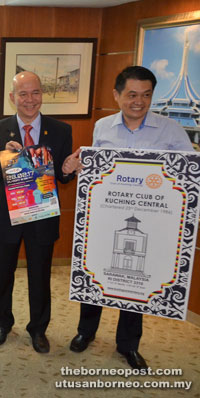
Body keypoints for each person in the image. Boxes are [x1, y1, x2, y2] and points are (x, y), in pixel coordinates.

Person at [68, 66, 193, 369]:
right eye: (132, 94)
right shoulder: (103, 126)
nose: (139, 101)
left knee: (136, 281)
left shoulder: (171, 130)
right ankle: (86, 331)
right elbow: (96, 168)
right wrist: (80, 166)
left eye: (146, 95)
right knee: (97, 272)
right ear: (117, 95)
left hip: (150, 221)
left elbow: (190, 174)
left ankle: (128, 344)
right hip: (104, 218)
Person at [0, 71, 78, 354]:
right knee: (4, 273)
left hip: (43, 216)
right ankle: (2, 322)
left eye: (35, 93)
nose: (29, 99)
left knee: (40, 274)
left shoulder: (60, 130)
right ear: (12, 98)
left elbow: (62, 175)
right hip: (7, 215)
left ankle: (38, 328)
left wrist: (68, 170)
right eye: (23, 94)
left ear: (42, 95)